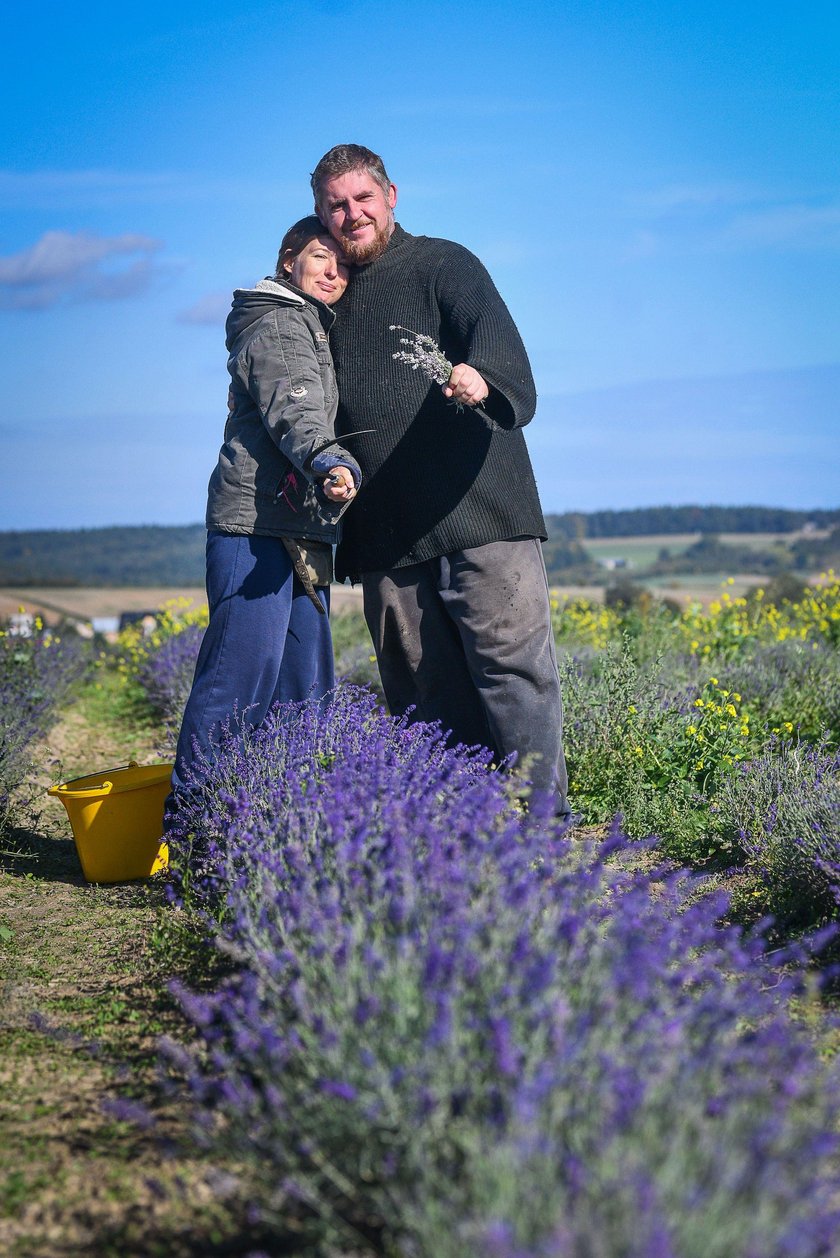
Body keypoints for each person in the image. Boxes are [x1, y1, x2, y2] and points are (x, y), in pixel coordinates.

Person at [310, 143, 570, 816]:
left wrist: (481, 376)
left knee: (513, 676)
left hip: (481, 513)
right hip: (388, 535)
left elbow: (494, 341)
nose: (351, 213)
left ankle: (539, 831)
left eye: (363, 198)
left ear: (391, 196)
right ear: (320, 213)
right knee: (422, 698)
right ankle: (460, 841)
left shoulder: (444, 264)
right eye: (336, 204)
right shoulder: (324, 295)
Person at [166, 215, 361, 817]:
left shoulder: (312, 326)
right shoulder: (278, 322)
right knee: (237, 685)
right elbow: (292, 406)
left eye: (344, 264)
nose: (334, 271)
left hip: (295, 529)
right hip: (253, 527)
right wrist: (329, 458)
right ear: (288, 261)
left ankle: (283, 832)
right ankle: (197, 833)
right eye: (320, 256)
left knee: (306, 690)